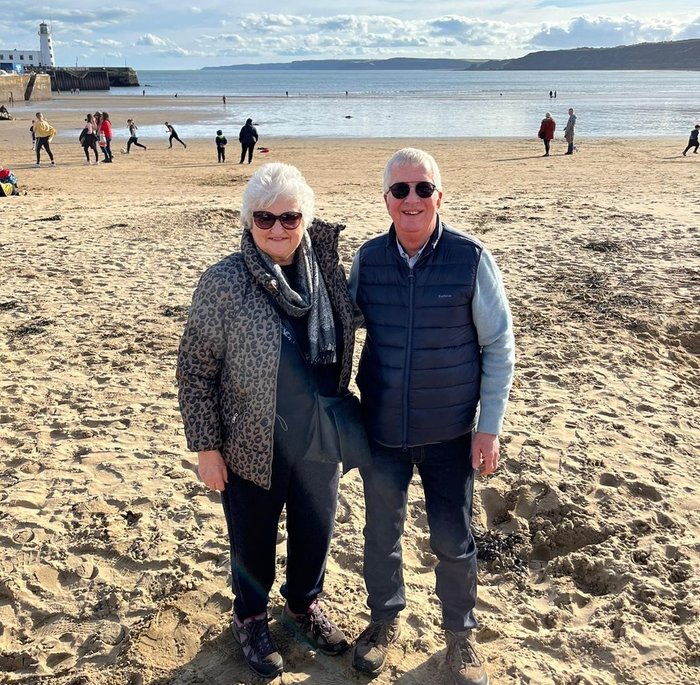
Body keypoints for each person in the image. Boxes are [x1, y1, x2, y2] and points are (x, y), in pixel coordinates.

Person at [177, 162, 357, 679]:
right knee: (252, 539)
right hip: (250, 441)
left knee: (316, 531)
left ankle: (303, 605)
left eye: (290, 217)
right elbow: (194, 369)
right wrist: (207, 448)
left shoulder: (328, 275)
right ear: (248, 221)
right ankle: (251, 618)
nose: (278, 228)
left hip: (320, 436)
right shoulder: (225, 281)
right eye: (264, 218)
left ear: (306, 219)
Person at [349, 148, 515, 685]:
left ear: (440, 196)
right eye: (400, 190)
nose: (412, 199)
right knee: (381, 535)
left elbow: (499, 346)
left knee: (453, 538)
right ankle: (383, 621)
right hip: (383, 433)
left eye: (423, 188)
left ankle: (460, 638)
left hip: (449, 434)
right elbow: (337, 332)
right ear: (386, 201)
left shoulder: (470, 258)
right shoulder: (369, 261)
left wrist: (488, 428)